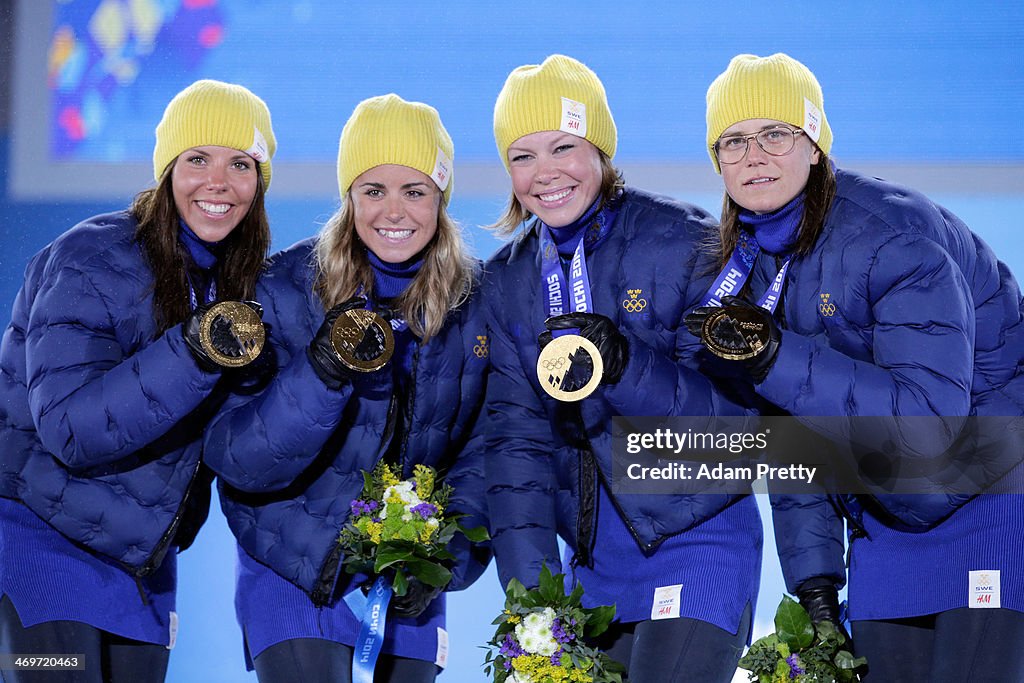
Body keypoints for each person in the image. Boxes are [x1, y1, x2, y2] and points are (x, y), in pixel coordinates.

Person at [689, 53, 1024, 681]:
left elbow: (927, 428)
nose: (753, 155)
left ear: (814, 145)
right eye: (732, 142)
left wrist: (776, 356)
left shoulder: (895, 233)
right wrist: (815, 585)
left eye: (775, 134)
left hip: (992, 492)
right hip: (886, 518)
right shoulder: (745, 270)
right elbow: (794, 435)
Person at [481, 54, 762, 682]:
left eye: (563, 147)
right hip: (592, 565)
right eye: (522, 156)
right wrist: (535, 600)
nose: (544, 173)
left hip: (695, 539)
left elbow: (737, 427)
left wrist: (626, 365)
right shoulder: (505, 284)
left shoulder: (686, 242)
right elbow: (515, 451)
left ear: (602, 150)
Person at [202, 94, 490, 683]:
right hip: (295, 567)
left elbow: (486, 453)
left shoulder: (473, 303)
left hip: (408, 575)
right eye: (372, 190)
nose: (394, 211)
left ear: (441, 199)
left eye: (415, 191)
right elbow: (237, 459)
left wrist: (445, 557)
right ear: (348, 197)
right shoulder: (281, 289)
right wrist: (323, 371)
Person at [0, 79, 276, 681]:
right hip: (43, 541)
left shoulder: (235, 284)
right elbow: (69, 428)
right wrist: (197, 351)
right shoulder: (92, 256)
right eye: (197, 159)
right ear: (166, 169)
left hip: (141, 559)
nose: (218, 182)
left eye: (241, 164)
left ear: (259, 184)